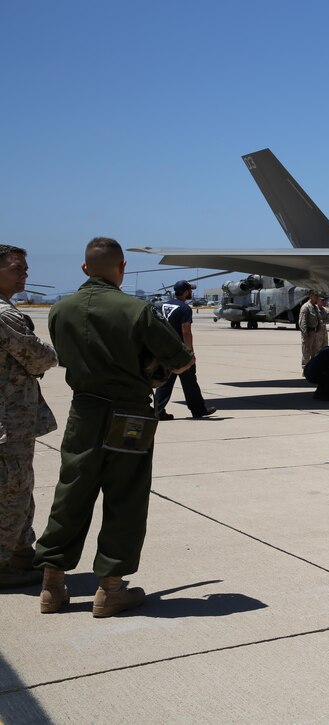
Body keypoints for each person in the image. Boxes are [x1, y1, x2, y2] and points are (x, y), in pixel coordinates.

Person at [34, 237, 194, 618]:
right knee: (125, 496)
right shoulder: (138, 310)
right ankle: (110, 590)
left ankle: (52, 586)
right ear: (122, 268)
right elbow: (180, 360)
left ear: (85, 268)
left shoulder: (60, 309)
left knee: (71, 491)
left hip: (84, 412)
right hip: (130, 415)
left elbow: (62, 356)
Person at [0, 245, 58, 589]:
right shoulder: (5, 316)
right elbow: (39, 357)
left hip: (12, 420)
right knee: (13, 492)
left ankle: (20, 552)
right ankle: (6, 563)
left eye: (24, 268)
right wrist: (51, 351)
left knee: (16, 489)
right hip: (9, 422)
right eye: (16, 268)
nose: (25, 274)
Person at [154, 280, 216, 420]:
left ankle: (196, 409)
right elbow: (186, 331)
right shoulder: (184, 308)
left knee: (173, 381)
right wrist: (190, 353)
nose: (191, 292)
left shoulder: (162, 305)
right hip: (180, 352)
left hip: (165, 350)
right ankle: (197, 410)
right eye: (190, 290)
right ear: (186, 291)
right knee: (187, 381)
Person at [298, 290, 329, 368]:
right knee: (306, 352)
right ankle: (305, 368)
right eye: (315, 296)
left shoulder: (315, 307)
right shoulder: (305, 307)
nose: (317, 298)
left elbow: (318, 319)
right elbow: (302, 322)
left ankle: (312, 369)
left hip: (315, 333)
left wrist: (318, 329)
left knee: (315, 352)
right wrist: (305, 334)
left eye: (317, 296)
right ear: (311, 296)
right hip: (308, 333)